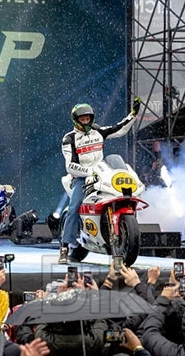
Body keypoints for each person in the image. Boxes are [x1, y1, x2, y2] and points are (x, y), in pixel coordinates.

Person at [58, 98, 140, 264]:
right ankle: (64, 247)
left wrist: (133, 115)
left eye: (88, 118)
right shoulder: (69, 139)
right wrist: (89, 172)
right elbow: (70, 166)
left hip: (102, 172)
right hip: (81, 177)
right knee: (73, 208)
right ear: (76, 120)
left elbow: (119, 129)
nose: (85, 121)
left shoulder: (98, 131)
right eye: (82, 119)